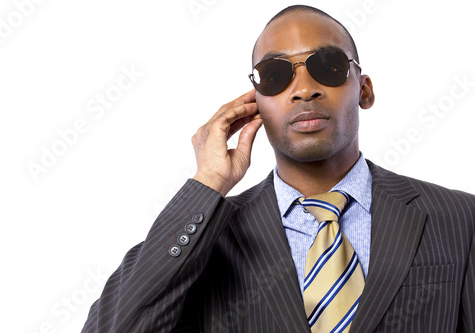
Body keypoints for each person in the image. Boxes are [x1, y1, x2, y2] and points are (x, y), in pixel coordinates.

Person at [82, 5, 474, 332]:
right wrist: (207, 185)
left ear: (364, 89)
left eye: (328, 66)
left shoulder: (459, 218)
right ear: (255, 103)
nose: (304, 88)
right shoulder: (208, 236)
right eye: (275, 75)